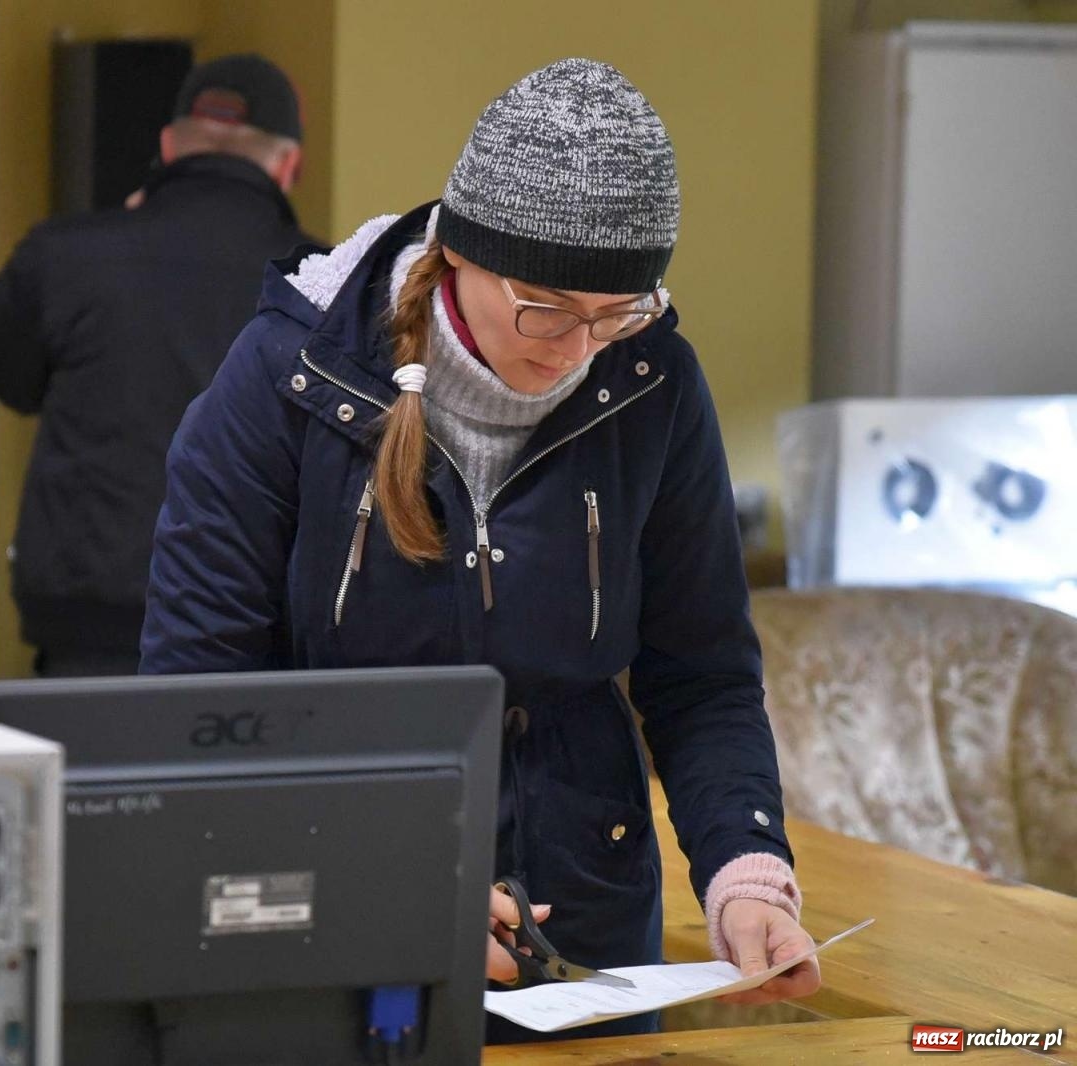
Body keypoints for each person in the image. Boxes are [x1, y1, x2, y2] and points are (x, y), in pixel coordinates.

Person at [140, 58, 819, 1041]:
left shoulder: (651, 377)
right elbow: (196, 710)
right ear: (457, 250)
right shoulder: (287, 375)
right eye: (544, 306)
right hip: (320, 914)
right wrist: (387, 891)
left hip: (581, 925)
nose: (575, 345)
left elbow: (701, 677)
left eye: (614, 311)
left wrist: (744, 872)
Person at [0, 54, 316, 677]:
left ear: (168, 147)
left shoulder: (68, 255)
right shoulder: (325, 281)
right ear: (289, 166)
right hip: (261, 619)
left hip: (90, 617)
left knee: (90, 775)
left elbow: (0, 362)